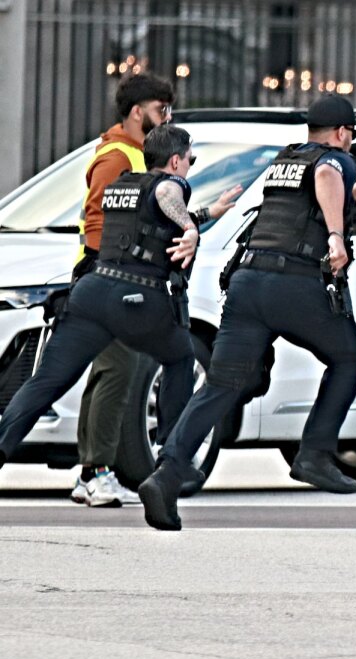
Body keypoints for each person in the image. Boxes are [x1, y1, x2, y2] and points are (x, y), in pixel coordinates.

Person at [137, 95, 356, 531]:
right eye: (349, 138)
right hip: (294, 286)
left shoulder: (285, 161)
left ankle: (167, 474)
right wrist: (335, 236)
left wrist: (355, 195)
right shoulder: (334, 159)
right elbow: (328, 177)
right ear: (343, 133)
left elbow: (307, 200)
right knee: (349, 357)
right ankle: (314, 453)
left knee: (220, 383)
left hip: (248, 284)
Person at [0, 126, 239, 487]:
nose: (191, 165)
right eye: (190, 158)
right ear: (175, 160)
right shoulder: (171, 184)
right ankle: (173, 460)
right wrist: (190, 227)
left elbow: (152, 214)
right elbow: (167, 194)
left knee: (46, 382)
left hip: (91, 293)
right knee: (179, 359)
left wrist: (209, 212)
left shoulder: (123, 186)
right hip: (135, 299)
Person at [70, 73, 175, 507]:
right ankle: (97, 473)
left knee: (108, 372)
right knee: (119, 371)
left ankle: (89, 473)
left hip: (108, 280)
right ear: (138, 112)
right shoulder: (118, 158)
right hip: (109, 281)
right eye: (161, 109)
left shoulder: (134, 153)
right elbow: (98, 222)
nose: (167, 117)